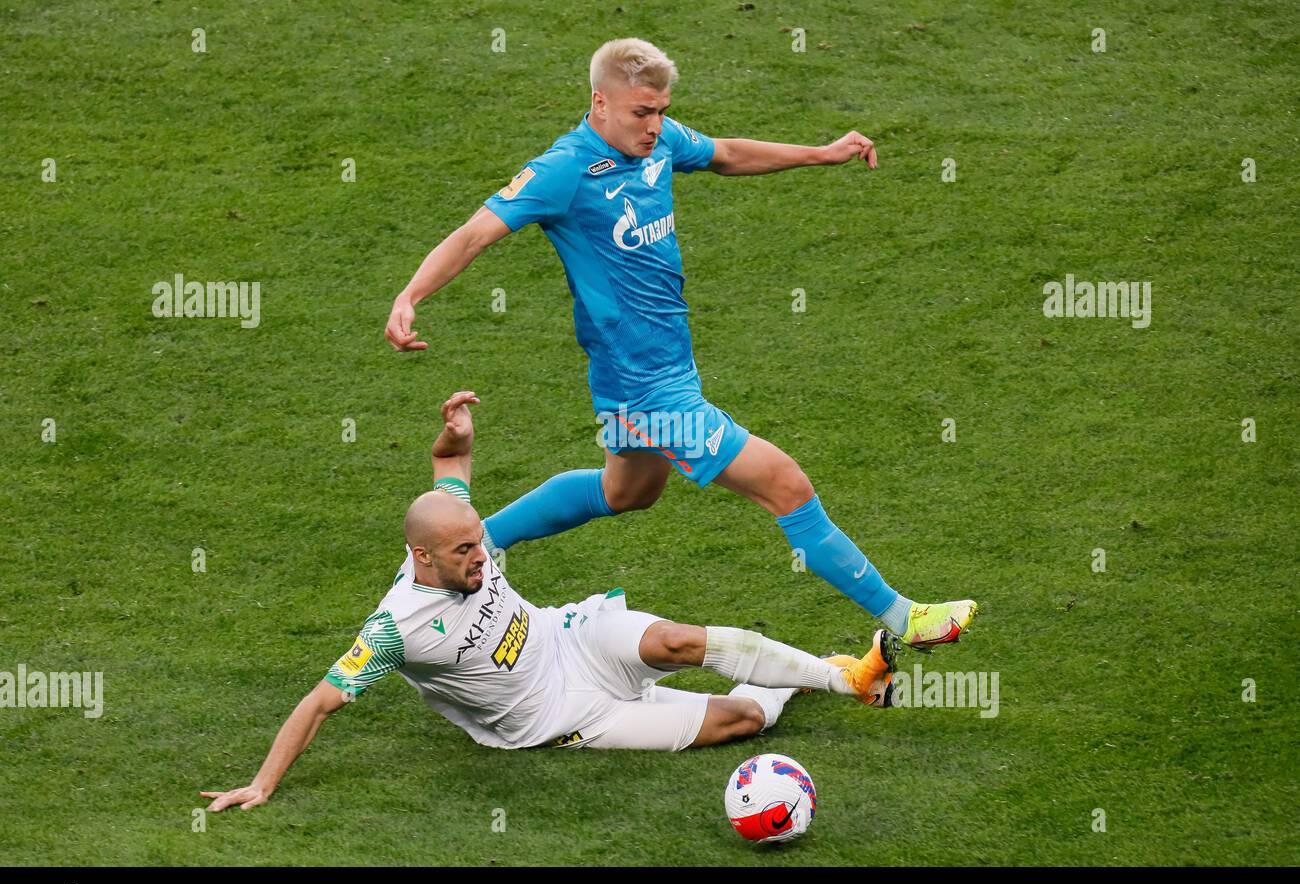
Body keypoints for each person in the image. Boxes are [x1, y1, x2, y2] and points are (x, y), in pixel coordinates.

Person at [385, 37, 978, 650]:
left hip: (655, 371)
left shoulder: (657, 141)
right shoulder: (563, 169)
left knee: (627, 492)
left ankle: (483, 538)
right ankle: (904, 617)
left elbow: (725, 154)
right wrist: (410, 297)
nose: (656, 125)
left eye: (662, 110)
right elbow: (474, 234)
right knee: (787, 485)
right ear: (600, 103)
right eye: (642, 112)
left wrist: (820, 154)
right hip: (647, 389)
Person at [201, 392, 908, 812]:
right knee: (742, 720)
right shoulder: (393, 630)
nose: (482, 557)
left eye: (481, 544)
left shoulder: (457, 525)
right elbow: (319, 701)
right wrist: (261, 785)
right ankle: (808, 676)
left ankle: (846, 677)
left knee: (678, 642)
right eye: (464, 555)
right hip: (555, 714)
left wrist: (457, 435)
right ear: (422, 558)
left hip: (570, 636)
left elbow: (449, 471)